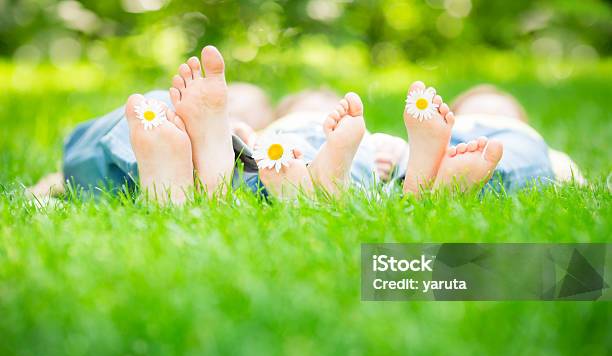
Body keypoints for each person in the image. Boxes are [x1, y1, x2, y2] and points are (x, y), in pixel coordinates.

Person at [27, 45, 583, 204]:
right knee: (499, 128)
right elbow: (560, 168)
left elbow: (58, 180)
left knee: (181, 109)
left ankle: (203, 168)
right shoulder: (378, 139)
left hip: (269, 150)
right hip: (384, 165)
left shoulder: (277, 124)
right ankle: (422, 189)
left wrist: (50, 185)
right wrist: (565, 168)